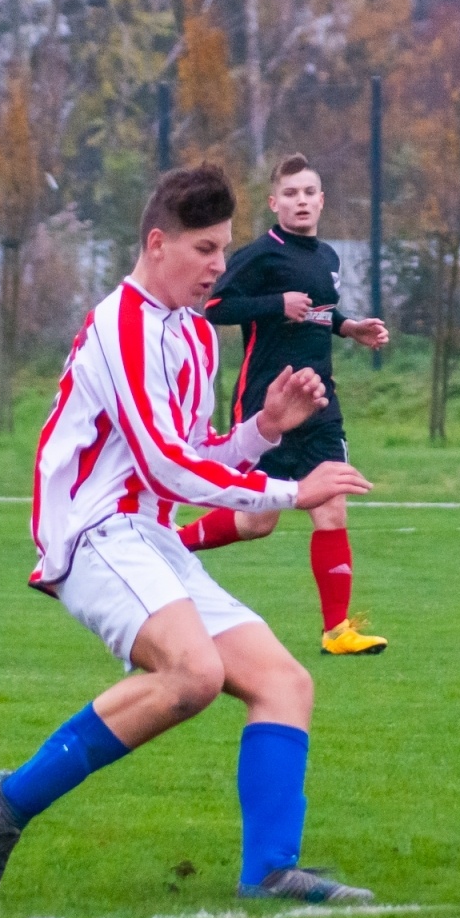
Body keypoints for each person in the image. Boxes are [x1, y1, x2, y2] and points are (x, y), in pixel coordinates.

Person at [0, 163, 377, 905]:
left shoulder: (192, 335)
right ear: (158, 244)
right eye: (206, 250)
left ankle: (271, 872)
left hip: (147, 535)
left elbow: (193, 454)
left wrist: (260, 430)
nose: (220, 266)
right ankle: (10, 802)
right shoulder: (121, 324)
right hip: (93, 532)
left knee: (285, 682)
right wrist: (291, 488)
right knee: (194, 674)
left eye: (223, 250)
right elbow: (164, 463)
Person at [178, 153, 392, 657]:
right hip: (268, 404)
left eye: (308, 192)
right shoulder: (259, 255)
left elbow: (317, 313)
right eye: (290, 193)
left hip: (320, 402)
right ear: (274, 203)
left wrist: (347, 326)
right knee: (258, 521)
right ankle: (173, 545)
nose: (300, 201)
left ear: (322, 201)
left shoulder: (328, 259)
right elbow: (213, 306)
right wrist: (275, 304)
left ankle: (337, 631)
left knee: (332, 506)